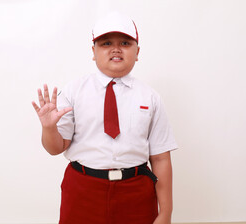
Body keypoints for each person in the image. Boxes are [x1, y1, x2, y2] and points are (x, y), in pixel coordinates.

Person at [32, 12, 178, 224]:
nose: (116, 49)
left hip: (135, 192)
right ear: (93, 51)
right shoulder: (74, 91)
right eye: (106, 43)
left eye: (125, 43)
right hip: (83, 191)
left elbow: (161, 158)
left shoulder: (150, 97)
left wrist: (165, 212)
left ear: (137, 52)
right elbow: (55, 148)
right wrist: (48, 128)